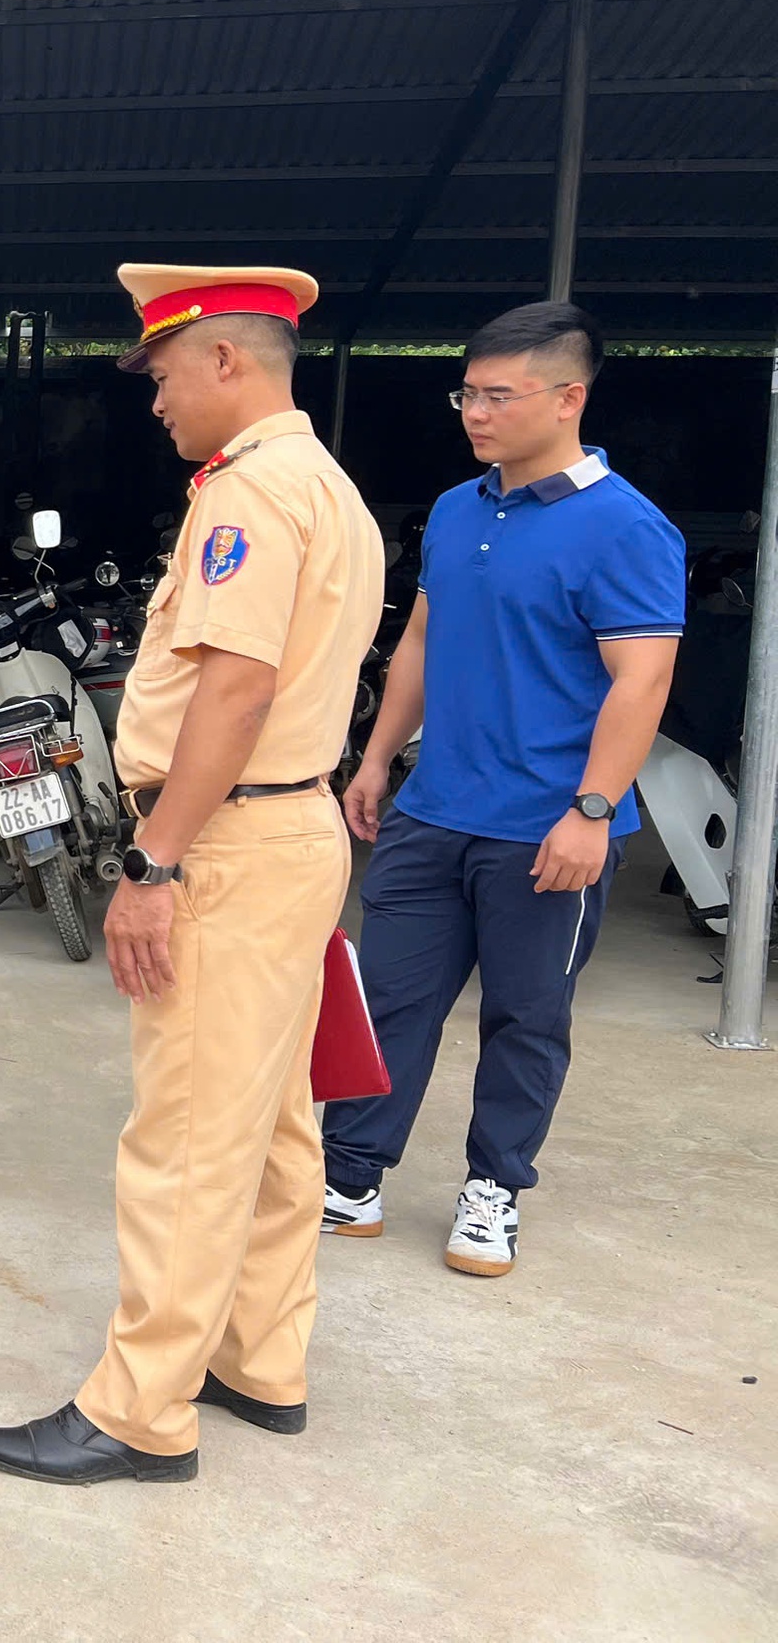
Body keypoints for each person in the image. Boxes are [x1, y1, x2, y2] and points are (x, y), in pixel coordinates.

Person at [0, 263, 383, 1486]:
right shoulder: (330, 490)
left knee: (189, 1133)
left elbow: (236, 690)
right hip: (289, 834)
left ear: (222, 361)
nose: (150, 399)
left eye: (158, 373)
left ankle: (140, 1409)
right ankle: (260, 1356)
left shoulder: (248, 497)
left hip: (228, 842)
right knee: (272, 1122)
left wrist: (151, 863)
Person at [324, 303, 682, 1276]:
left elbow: (639, 681)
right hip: (431, 810)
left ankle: (493, 1189)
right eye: (465, 393)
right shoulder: (454, 509)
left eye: (496, 395)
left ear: (568, 398)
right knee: (387, 1002)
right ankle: (350, 1173)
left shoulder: (626, 529)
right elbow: (421, 641)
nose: (473, 412)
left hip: (548, 829)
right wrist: (373, 758)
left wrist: (592, 811)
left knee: (525, 1018)